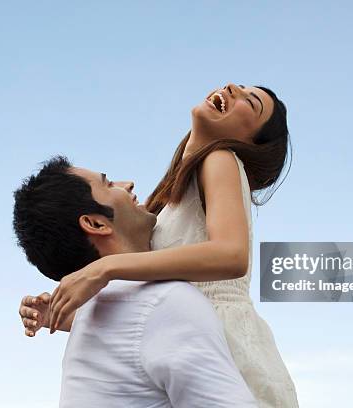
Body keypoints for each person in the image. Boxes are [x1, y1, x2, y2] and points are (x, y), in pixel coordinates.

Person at [19, 83, 299, 407]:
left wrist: (103, 269)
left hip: (226, 338)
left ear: (250, 142)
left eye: (251, 103)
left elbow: (232, 255)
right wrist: (65, 316)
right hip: (186, 339)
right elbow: (145, 312)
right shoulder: (170, 195)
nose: (233, 87)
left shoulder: (220, 159)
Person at [13, 157, 257, 407]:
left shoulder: (92, 317)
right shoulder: (165, 304)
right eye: (108, 185)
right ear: (96, 223)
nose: (128, 184)